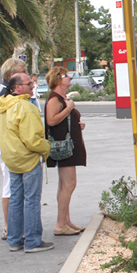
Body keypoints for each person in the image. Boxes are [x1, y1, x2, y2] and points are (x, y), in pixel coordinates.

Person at [0, 72, 52, 252]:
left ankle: (14, 240)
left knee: (16, 200)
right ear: (17, 87)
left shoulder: (2, 106)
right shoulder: (26, 107)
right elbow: (32, 139)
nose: (33, 86)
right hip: (28, 158)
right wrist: (46, 147)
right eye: (29, 83)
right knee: (32, 200)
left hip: (11, 159)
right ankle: (33, 241)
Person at [0, 58, 33, 240]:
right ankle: (10, 228)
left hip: (13, 147)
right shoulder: (3, 95)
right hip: (10, 148)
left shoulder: (7, 93)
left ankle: (16, 228)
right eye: (23, 72)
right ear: (11, 75)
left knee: (16, 189)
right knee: (10, 188)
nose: (27, 76)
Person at [44, 66, 87, 235]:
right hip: (64, 148)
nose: (69, 77)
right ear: (57, 79)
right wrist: (69, 109)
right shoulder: (55, 99)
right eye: (65, 75)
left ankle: (66, 220)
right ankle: (60, 224)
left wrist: (76, 125)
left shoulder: (61, 98)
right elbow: (51, 120)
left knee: (64, 185)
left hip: (68, 144)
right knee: (69, 184)